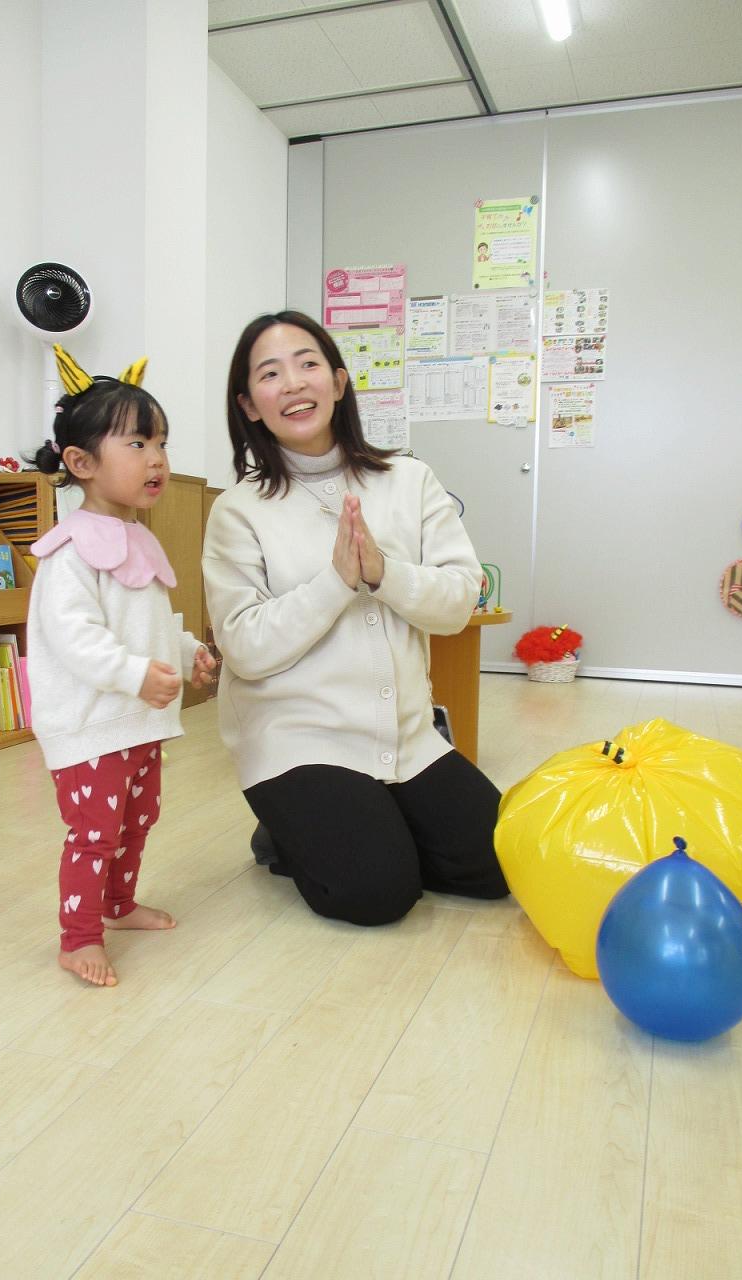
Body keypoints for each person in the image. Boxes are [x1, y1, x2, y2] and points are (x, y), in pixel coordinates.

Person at [202, 310, 508, 927]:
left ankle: (370, 823)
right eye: (270, 373)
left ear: (339, 382)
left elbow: (457, 602)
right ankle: (287, 831)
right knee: (377, 893)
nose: (293, 383)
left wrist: (382, 574)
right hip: (299, 741)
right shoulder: (237, 510)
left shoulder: (410, 480)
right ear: (250, 405)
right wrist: (337, 582)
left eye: (308, 364)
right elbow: (244, 647)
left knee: (501, 866)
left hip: (407, 736)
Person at [27, 345, 216, 986]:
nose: (156, 458)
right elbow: (76, 639)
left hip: (136, 724)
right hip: (91, 727)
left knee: (137, 823)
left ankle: (119, 904)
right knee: (95, 834)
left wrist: (186, 653)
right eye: (137, 443)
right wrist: (135, 675)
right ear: (81, 463)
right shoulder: (69, 554)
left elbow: (148, 625)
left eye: (160, 442)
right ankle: (78, 938)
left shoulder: (138, 537)